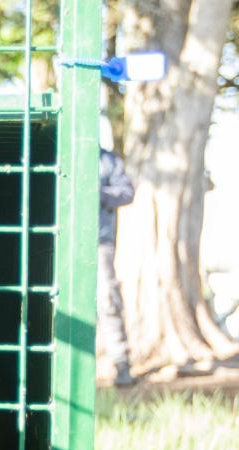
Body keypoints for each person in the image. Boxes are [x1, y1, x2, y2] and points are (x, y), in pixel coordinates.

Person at [98, 148, 136, 386]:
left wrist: (99, 194)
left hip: (100, 242)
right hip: (66, 242)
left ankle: (121, 365)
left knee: (108, 300)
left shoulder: (108, 161)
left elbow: (126, 192)